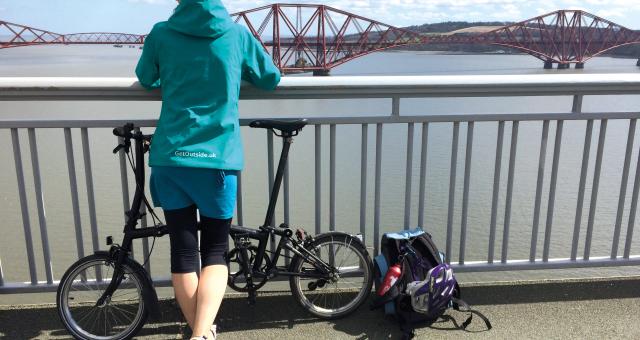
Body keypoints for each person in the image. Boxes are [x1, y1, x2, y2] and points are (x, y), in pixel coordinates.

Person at [135, 0, 281, 339]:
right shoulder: (236, 35)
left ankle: (198, 332)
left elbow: (145, 77)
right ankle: (202, 334)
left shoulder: (161, 33)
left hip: (171, 156)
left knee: (183, 252)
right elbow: (270, 78)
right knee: (214, 252)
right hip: (217, 159)